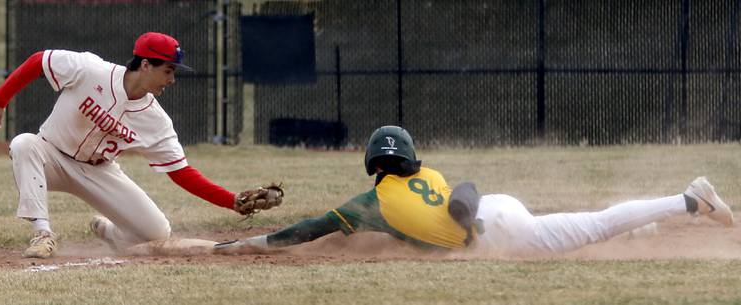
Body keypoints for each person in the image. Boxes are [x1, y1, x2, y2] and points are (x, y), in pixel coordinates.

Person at [214, 125, 734, 256]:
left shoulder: (369, 204)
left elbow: (306, 230)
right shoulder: (430, 176)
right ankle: (660, 219)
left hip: (502, 235)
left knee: (593, 226)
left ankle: (691, 199)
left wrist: (242, 246)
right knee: (590, 221)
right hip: (495, 208)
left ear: (373, 166)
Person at [0, 32, 278, 258]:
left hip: (99, 172)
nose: (172, 79)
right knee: (23, 144)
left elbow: (182, 173)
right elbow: (38, 61)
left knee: (157, 232)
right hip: (51, 157)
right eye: (168, 70)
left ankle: (110, 232)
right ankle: (42, 234)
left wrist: (231, 200)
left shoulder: (155, 120)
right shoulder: (90, 70)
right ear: (145, 65)